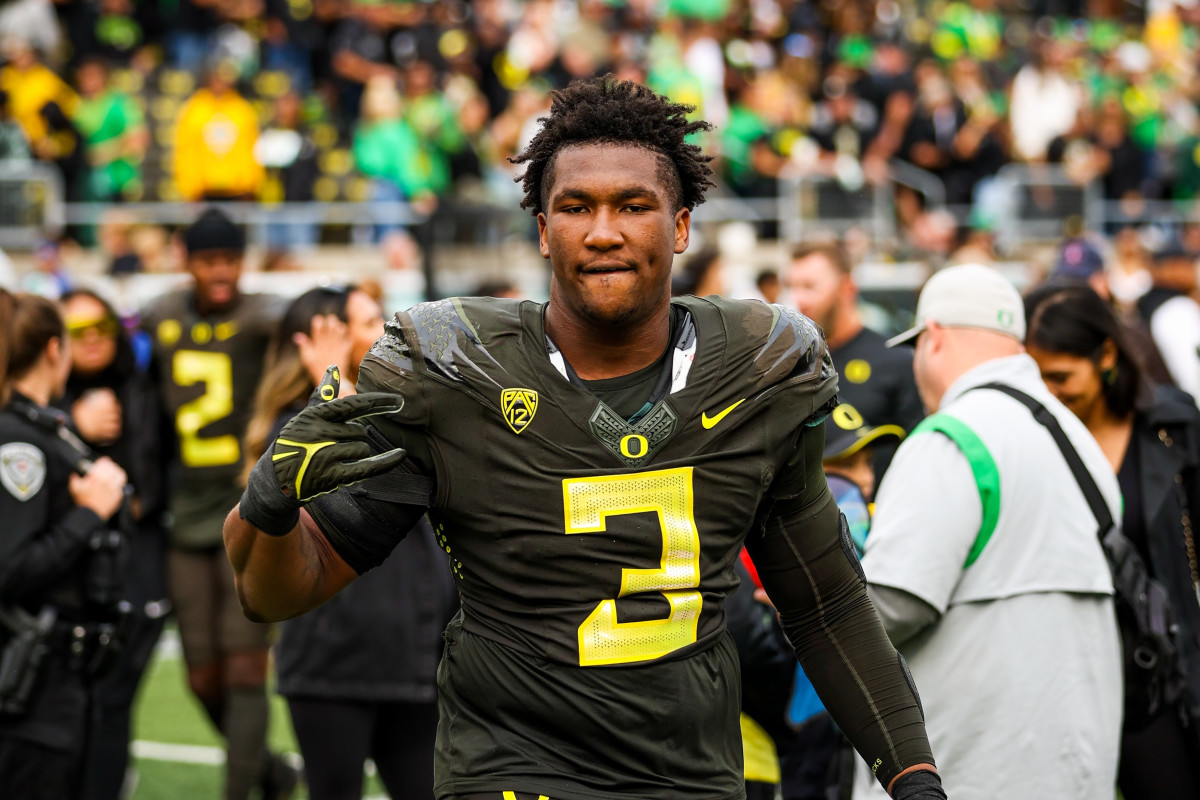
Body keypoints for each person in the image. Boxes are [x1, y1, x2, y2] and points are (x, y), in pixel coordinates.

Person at [225, 76, 946, 800]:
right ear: (543, 230)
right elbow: (276, 592)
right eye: (575, 207)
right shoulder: (457, 371)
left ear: (682, 225)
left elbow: (825, 603)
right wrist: (269, 506)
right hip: (511, 776)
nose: (604, 231)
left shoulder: (755, 369)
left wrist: (913, 777)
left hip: (690, 779)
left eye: (634, 206)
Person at [854, 263, 1123, 800]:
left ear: (932, 338)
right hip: (1079, 770)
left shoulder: (952, 436)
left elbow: (889, 607)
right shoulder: (1077, 436)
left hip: (972, 771)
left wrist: (799, 605)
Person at [244, 286, 457, 800]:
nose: (384, 331)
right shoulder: (293, 430)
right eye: (366, 322)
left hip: (413, 660)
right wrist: (330, 384)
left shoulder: (402, 414)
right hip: (331, 667)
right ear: (326, 340)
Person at [1024, 282, 1200, 800]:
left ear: (1105, 354)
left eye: (1061, 376)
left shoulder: (1171, 424)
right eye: (1036, 379)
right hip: (1075, 677)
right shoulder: (1030, 440)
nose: (1050, 393)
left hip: (1171, 667)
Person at [140, 208, 293, 800]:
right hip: (183, 512)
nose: (221, 272)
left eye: (229, 259)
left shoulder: (264, 318)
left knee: (245, 669)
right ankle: (270, 775)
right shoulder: (160, 317)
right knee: (201, 675)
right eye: (209, 261)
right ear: (188, 261)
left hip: (245, 513)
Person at [0, 290, 129, 799]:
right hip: (29, 688)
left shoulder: (44, 429)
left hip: (62, 680)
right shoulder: (20, 443)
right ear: (55, 350)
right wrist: (88, 515)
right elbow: (9, 568)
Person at [57, 289, 168, 800]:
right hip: (68, 564)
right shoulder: (42, 401)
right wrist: (71, 425)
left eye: (101, 324)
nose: (94, 338)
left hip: (138, 555)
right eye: (78, 331)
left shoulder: (143, 384)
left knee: (114, 695)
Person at [786, 240, 924, 483]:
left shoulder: (895, 361)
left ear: (847, 288)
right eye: (793, 287)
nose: (800, 299)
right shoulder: (787, 365)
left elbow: (918, 456)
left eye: (810, 286)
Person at [1136, 244, 1200, 406]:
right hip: (1181, 408)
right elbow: (1192, 379)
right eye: (1183, 263)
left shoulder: (1153, 302)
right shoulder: (1177, 309)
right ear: (1166, 268)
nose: (1190, 269)